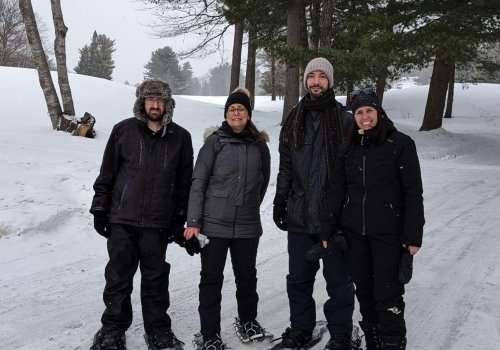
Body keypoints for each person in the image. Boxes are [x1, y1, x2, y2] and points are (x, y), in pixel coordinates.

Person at [89, 79, 195, 350]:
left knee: (156, 281)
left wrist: (178, 218)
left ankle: (158, 331)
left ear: (168, 104)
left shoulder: (181, 138)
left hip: (157, 224)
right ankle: (112, 330)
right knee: (118, 279)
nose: (156, 105)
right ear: (142, 102)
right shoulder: (122, 131)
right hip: (123, 220)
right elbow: (107, 175)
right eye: (151, 100)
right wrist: (100, 209)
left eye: (161, 100)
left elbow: (185, 184)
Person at [320, 88, 425, 350]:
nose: (364, 116)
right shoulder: (349, 147)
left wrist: (413, 236)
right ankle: (374, 341)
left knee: (388, 294)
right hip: (355, 235)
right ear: (353, 116)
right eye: (359, 112)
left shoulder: (400, 144)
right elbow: (336, 190)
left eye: (369, 111)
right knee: (365, 293)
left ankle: (392, 342)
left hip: (388, 234)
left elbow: (413, 193)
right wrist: (326, 230)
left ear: (378, 112)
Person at [273, 57, 358, 350]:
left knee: (338, 282)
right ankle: (300, 329)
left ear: (330, 81)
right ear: (306, 81)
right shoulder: (294, 118)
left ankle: (341, 334)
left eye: (322, 76)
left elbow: (355, 171)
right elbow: (286, 166)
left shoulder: (345, 119)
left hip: (334, 220)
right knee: (298, 280)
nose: (317, 81)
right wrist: (280, 200)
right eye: (312, 76)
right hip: (299, 215)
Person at [184, 87, 271, 350]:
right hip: (213, 225)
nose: (236, 112)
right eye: (232, 109)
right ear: (226, 113)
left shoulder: (259, 146)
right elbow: (198, 182)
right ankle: (209, 334)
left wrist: (249, 206)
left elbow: (263, 182)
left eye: (241, 109)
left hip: (247, 225)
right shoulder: (214, 143)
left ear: (248, 114)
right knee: (211, 279)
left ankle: (248, 321)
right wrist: (193, 223)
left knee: (247, 277)